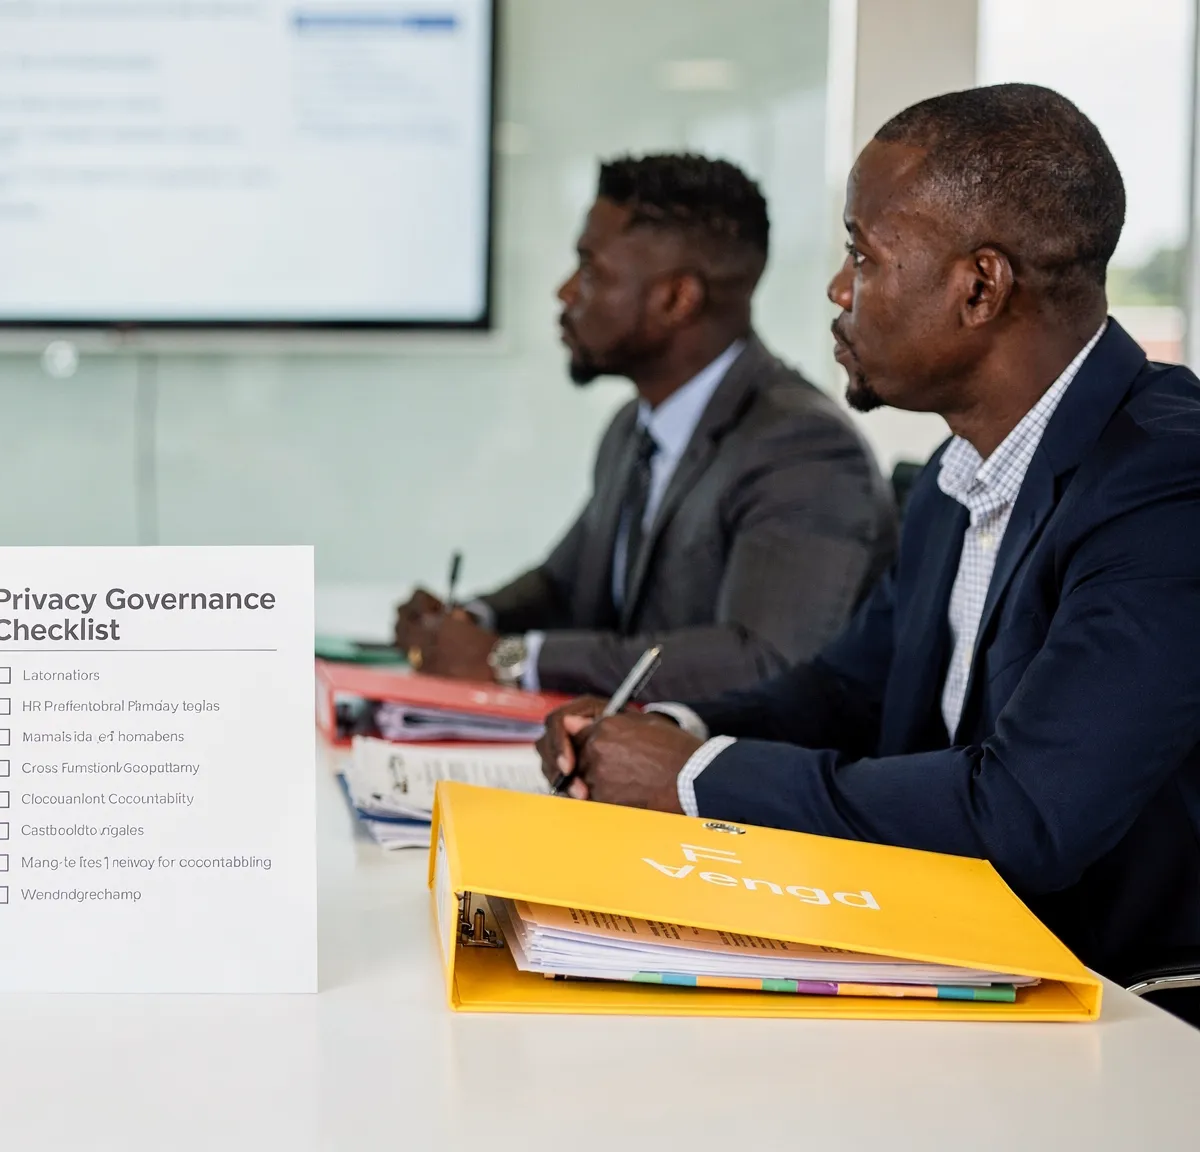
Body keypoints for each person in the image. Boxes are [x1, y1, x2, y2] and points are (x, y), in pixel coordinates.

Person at [540, 84, 1200, 1017]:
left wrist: (691, 778)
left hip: (1136, 1017)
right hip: (959, 964)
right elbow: (846, 691)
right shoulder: (955, 472)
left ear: (980, 286)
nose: (838, 290)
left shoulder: (1167, 485)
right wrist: (674, 725)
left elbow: (1027, 816)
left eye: (863, 254)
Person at [395, 154, 896, 702]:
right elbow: (564, 584)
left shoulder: (802, 449)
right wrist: (467, 619)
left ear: (676, 299)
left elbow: (761, 659)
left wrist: (509, 660)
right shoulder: (634, 427)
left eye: (591, 272)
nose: (565, 293)